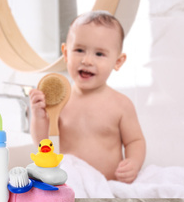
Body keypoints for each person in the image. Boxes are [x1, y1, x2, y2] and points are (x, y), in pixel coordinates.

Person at [29, 11, 146, 183]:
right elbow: (44, 144)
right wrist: (39, 116)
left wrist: (133, 163)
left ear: (118, 62)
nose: (87, 60)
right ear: (66, 53)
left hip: (109, 186)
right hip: (72, 184)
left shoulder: (121, 105)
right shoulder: (61, 103)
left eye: (99, 54)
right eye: (79, 50)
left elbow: (135, 141)